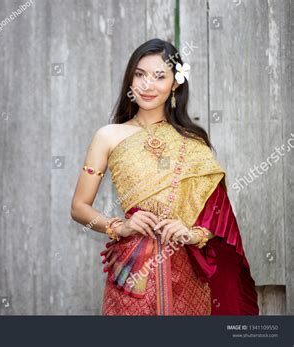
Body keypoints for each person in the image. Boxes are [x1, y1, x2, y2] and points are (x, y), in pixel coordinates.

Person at [70, 38, 258, 315]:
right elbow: (78, 207)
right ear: (130, 79)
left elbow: (219, 217)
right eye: (140, 74)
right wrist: (119, 226)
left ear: (175, 83)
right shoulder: (108, 136)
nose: (148, 85)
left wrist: (192, 234)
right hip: (132, 270)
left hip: (188, 270)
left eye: (160, 76)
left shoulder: (193, 142)